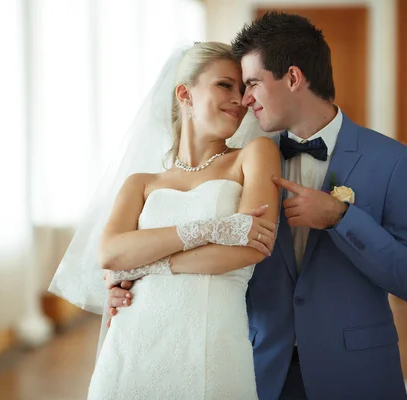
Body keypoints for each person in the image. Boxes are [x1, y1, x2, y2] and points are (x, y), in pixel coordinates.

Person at [108, 12, 407, 399]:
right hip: (257, 365)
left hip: (357, 372)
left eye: (251, 83)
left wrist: (341, 217)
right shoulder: (244, 160)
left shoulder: (393, 160)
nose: (245, 100)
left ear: (294, 78)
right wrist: (135, 280)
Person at [51, 41, 281, 399]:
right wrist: (212, 230)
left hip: (211, 343)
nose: (240, 100)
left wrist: (145, 264)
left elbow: (249, 248)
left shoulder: (253, 155)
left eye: (244, 89)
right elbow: (110, 254)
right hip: (132, 344)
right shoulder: (141, 183)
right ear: (184, 93)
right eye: (225, 85)